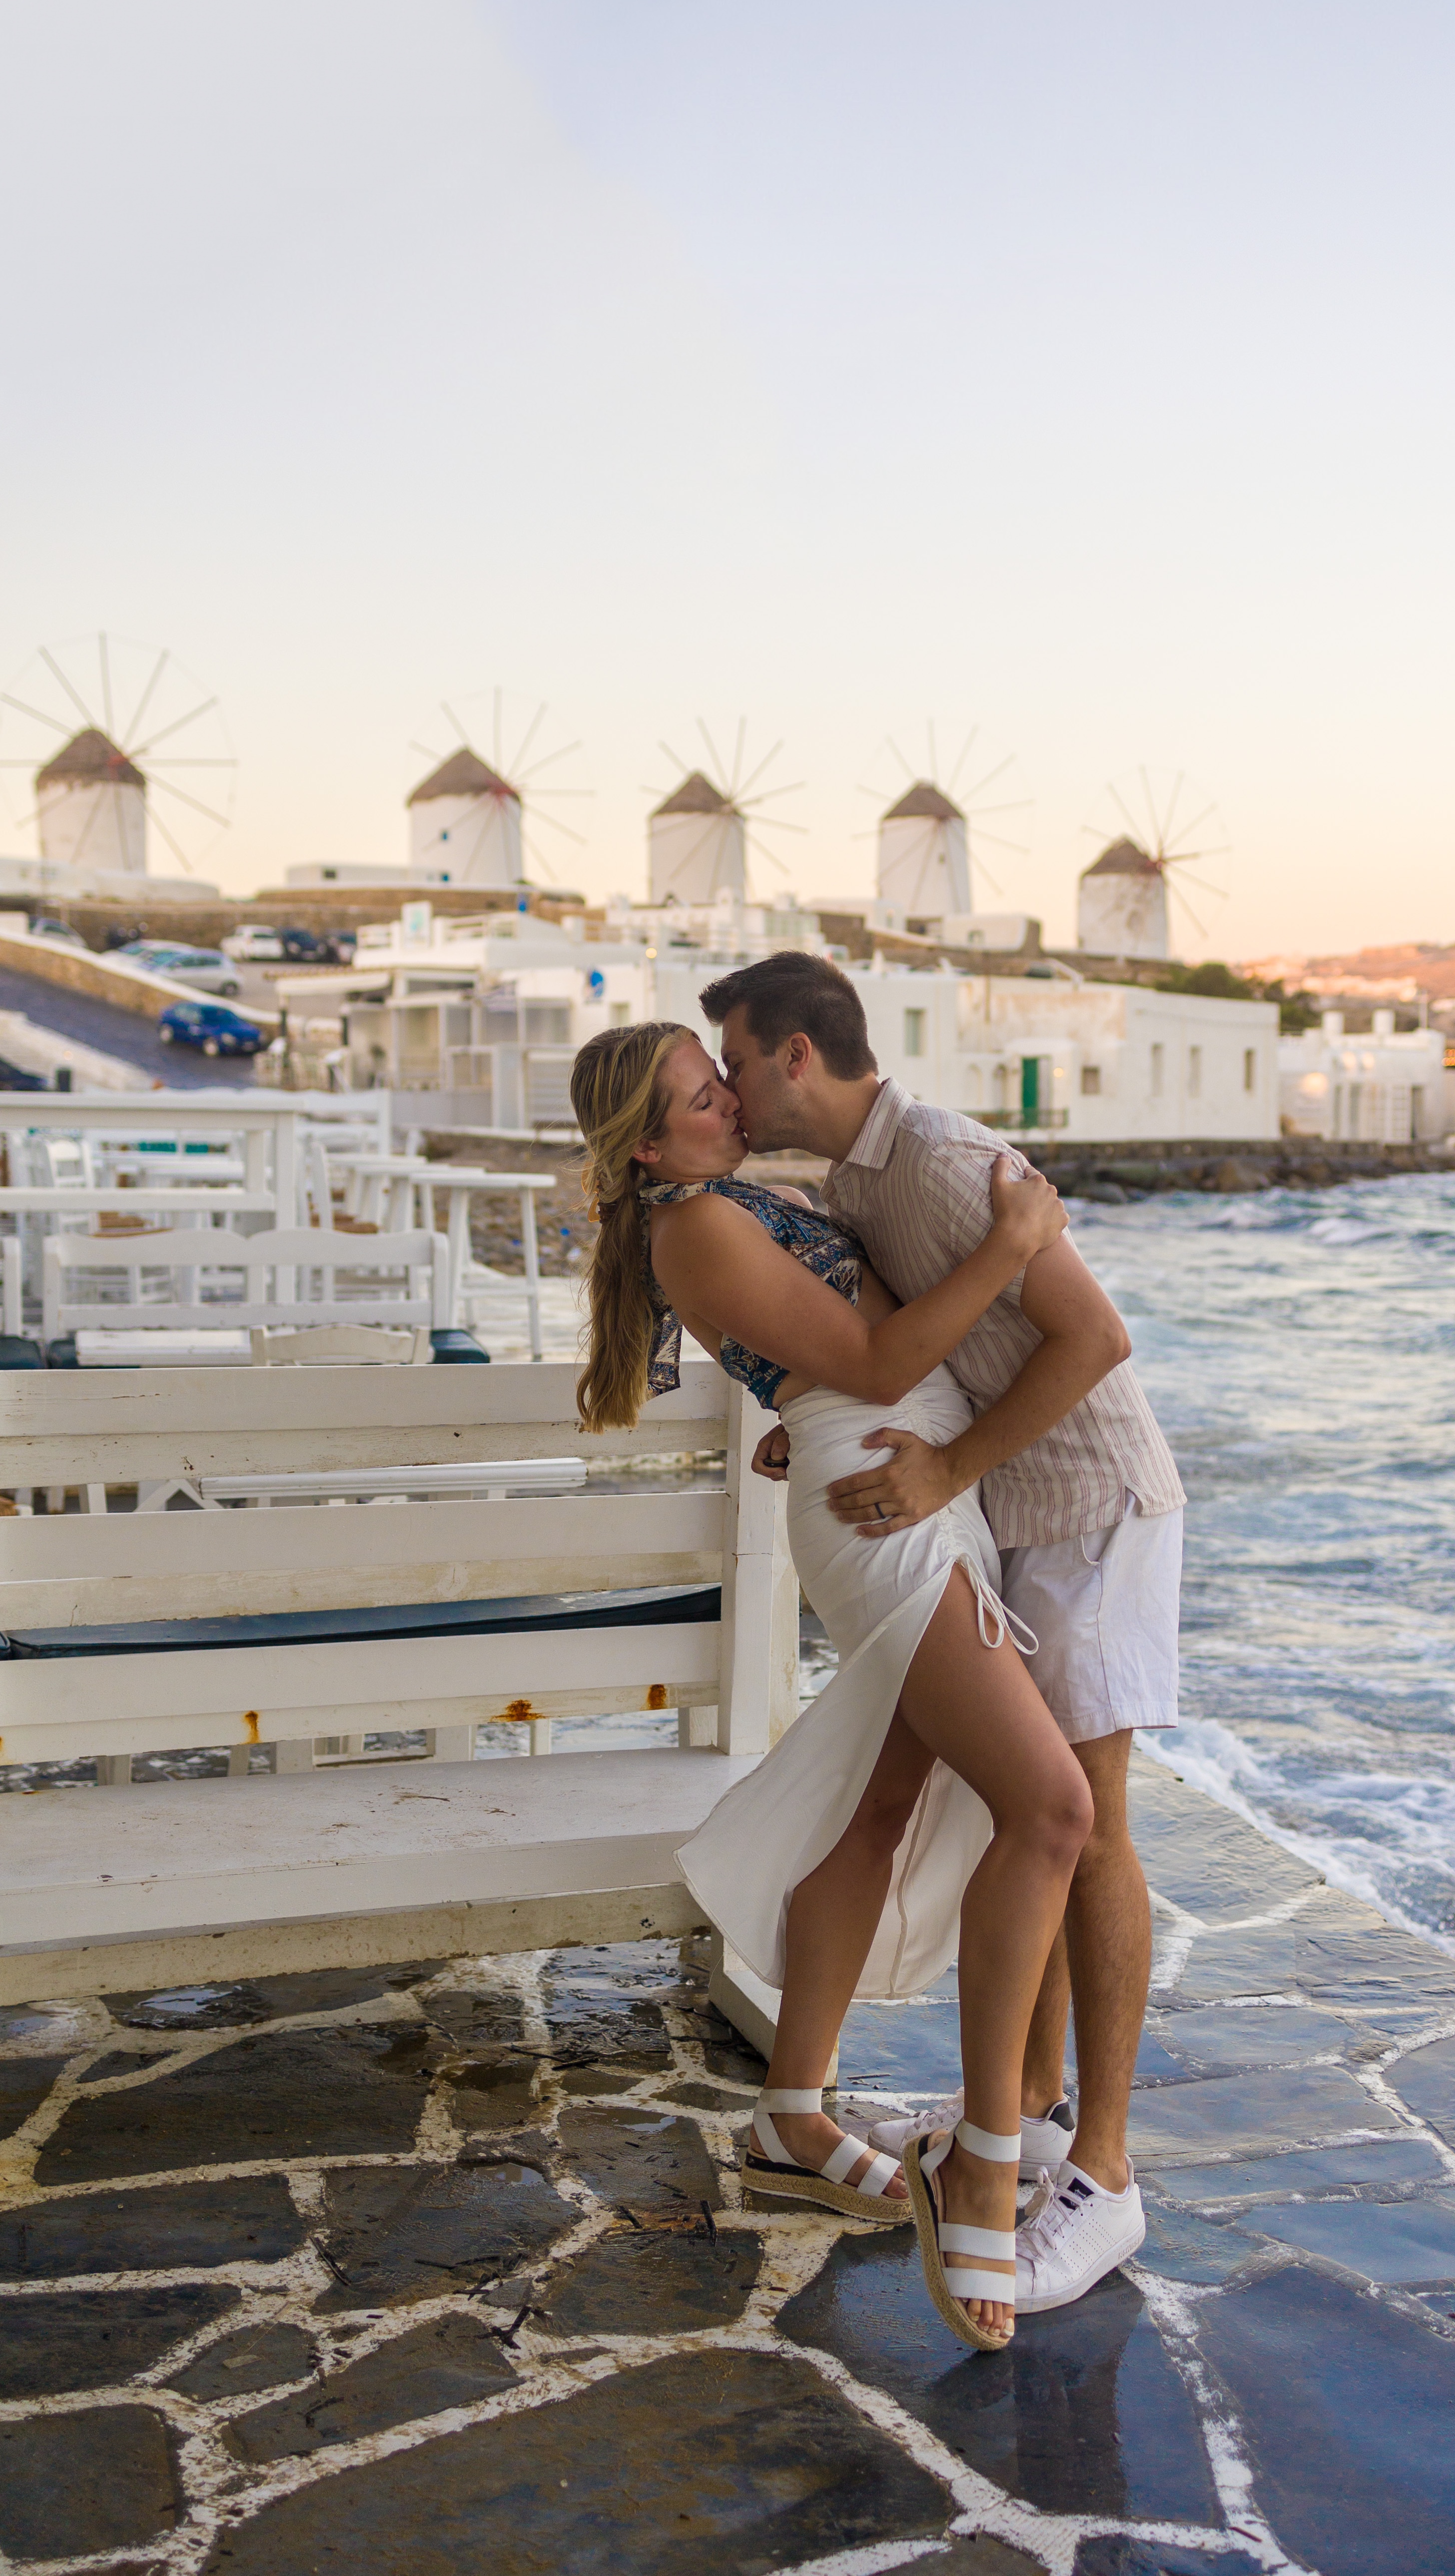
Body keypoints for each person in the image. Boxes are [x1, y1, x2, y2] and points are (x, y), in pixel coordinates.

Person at [570, 1019, 1094, 2352]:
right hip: (887, 1503)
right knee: (1054, 1811)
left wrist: (804, 1416)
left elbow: (823, 1346)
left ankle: (797, 2115)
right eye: (702, 1097)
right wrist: (1014, 1249)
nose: (731, 1103)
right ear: (646, 1144)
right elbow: (873, 1360)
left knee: (880, 1809)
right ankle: (983, 2154)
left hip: (890, 1475)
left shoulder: (723, 1202)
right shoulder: (688, 1225)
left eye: (723, 1079)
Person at [700, 952, 1185, 2317]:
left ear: (797, 1053)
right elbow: (903, 1343)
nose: (732, 1090)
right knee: (1017, 1814)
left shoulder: (938, 1162)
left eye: (737, 1060)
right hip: (998, 1510)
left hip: (1087, 1508)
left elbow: (1095, 1341)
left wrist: (943, 1473)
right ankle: (1024, 2115)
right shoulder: (848, 1183)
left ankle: (1100, 2170)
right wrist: (849, 1430)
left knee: (1083, 1815)